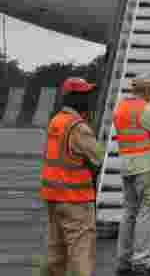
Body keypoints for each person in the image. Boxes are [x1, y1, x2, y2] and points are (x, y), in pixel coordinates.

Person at [40, 77, 104, 276]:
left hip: (53, 196)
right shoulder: (78, 127)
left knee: (56, 251)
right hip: (75, 199)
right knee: (80, 252)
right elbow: (97, 157)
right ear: (73, 98)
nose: (89, 99)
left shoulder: (56, 121)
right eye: (84, 95)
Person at [113, 75, 150, 276]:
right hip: (146, 167)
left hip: (127, 165)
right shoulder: (147, 110)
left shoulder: (120, 109)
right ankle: (141, 262)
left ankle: (124, 261)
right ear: (146, 91)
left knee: (129, 213)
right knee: (147, 212)